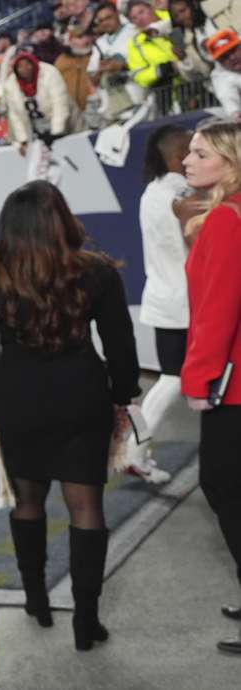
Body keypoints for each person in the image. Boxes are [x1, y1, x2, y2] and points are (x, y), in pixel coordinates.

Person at [0, 180, 140, 651]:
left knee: (27, 503)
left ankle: (37, 601)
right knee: (87, 508)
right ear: (62, 220)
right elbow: (122, 348)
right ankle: (87, 620)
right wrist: (124, 397)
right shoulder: (97, 272)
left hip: (20, 403)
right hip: (84, 399)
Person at [179, 119, 241, 655]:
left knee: (222, 485)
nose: (187, 161)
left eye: (200, 153)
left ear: (229, 160)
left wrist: (197, 379)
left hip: (231, 387)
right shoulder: (225, 216)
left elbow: (216, 312)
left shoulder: (225, 219)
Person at [125, 126, 193, 483]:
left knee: (170, 380)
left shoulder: (152, 191)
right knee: (173, 381)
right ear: (177, 154)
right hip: (184, 302)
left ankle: (134, 449)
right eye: (191, 144)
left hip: (165, 298)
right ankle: (133, 449)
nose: (197, 147)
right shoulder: (180, 192)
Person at [1, 52, 73, 156]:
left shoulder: (49, 73)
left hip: (66, 126)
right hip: (37, 130)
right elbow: (15, 116)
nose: (24, 68)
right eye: (20, 66)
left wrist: (57, 132)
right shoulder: (11, 85)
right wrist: (23, 140)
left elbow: (59, 104)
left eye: (27, 64)